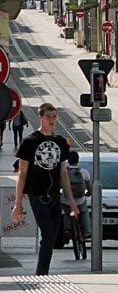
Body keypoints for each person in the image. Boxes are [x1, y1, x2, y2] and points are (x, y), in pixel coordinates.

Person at [12, 103, 79, 275]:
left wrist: (71, 200)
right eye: (48, 117)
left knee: (53, 237)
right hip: (37, 195)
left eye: (54, 117)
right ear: (40, 117)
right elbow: (22, 174)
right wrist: (17, 203)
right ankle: (41, 274)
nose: (52, 120)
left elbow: (63, 172)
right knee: (48, 236)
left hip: (55, 195)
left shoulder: (60, 142)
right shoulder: (30, 142)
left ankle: (43, 272)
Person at [66, 151, 91, 239]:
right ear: (78, 160)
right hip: (80, 200)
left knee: (66, 213)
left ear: (68, 160)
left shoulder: (65, 172)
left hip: (67, 200)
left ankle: (66, 229)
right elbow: (89, 186)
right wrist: (89, 193)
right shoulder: (84, 172)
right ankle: (87, 232)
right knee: (84, 213)